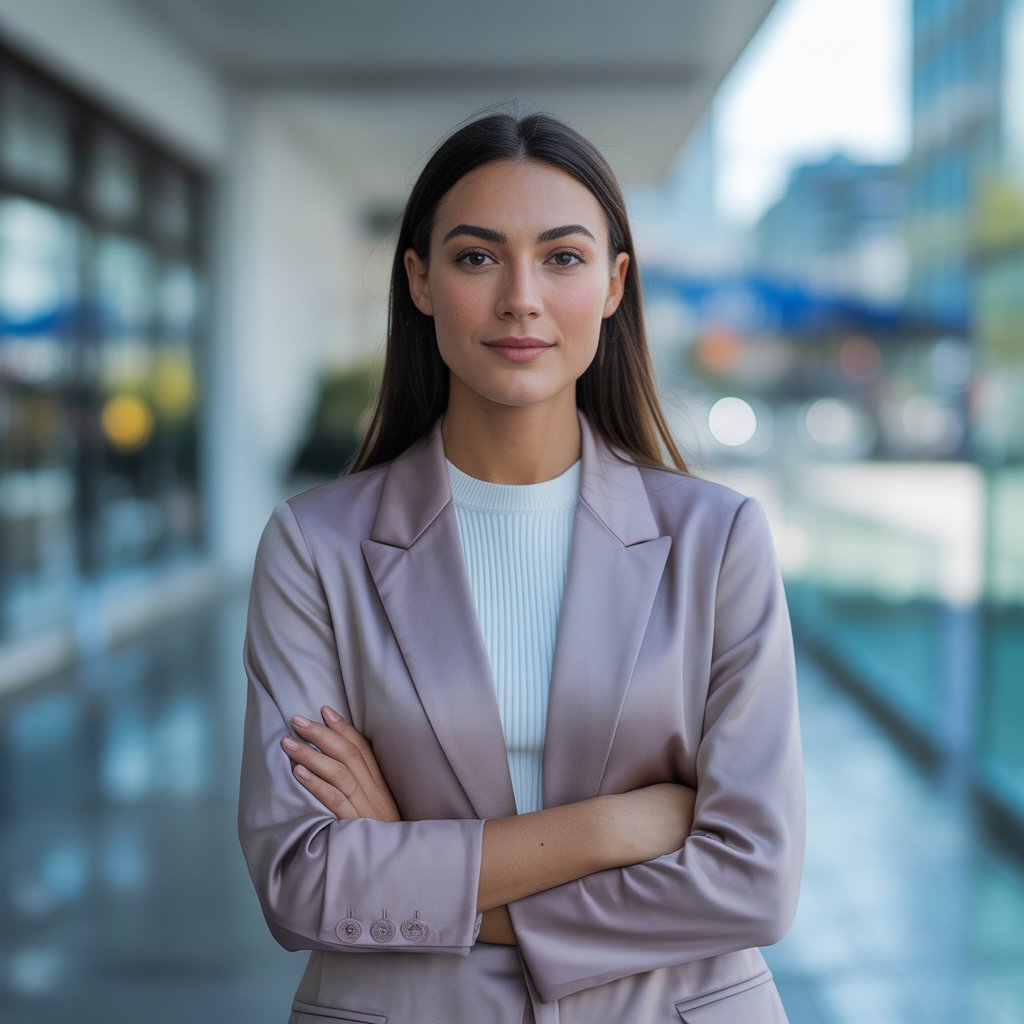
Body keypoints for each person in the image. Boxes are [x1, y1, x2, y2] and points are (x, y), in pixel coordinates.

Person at [238, 111, 804, 1024]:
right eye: (476, 257)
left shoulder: (719, 539)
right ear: (419, 279)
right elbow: (300, 878)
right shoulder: (317, 547)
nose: (522, 298)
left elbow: (754, 882)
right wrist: (615, 827)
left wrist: (408, 857)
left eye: (564, 258)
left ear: (616, 284)